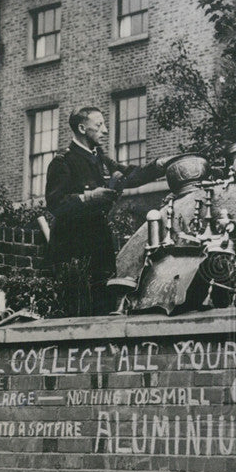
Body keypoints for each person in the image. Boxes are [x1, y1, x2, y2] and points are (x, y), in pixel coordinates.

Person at [45, 106, 168, 316]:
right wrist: (88, 197)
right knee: (78, 306)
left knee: (104, 299)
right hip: (73, 247)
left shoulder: (100, 159)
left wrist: (159, 166)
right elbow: (55, 203)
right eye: (99, 125)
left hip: (99, 241)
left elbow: (130, 175)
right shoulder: (63, 162)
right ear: (82, 128)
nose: (105, 130)